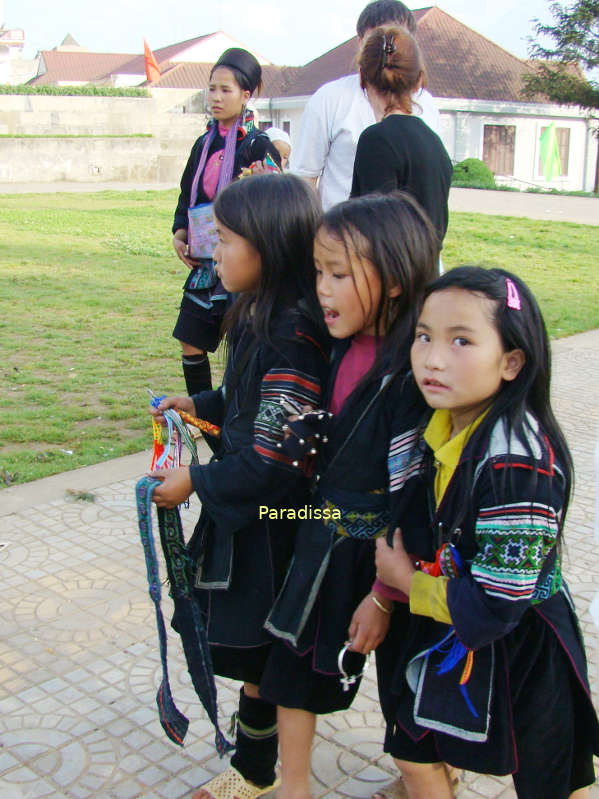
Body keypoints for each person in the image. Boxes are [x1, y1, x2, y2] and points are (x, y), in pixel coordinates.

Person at [374, 266, 599, 799]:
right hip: (449, 621)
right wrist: (383, 595)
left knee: (551, 778)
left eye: (461, 341)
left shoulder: (519, 465)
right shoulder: (432, 427)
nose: (432, 358)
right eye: (424, 336)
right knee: (411, 749)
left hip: (524, 644)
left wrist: (406, 585)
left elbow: (499, 605)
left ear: (512, 362)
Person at [150, 174, 330, 799]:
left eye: (226, 240)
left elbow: (279, 460)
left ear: (271, 246)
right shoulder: (257, 313)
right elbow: (245, 399)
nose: (215, 252)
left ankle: (257, 772)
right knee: (258, 654)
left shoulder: (294, 335)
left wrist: (195, 481)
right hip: (258, 512)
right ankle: (254, 768)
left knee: (269, 652)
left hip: (283, 523)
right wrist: (199, 400)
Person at [258, 192, 440, 799]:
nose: (324, 289)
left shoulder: (415, 373)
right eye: (319, 272)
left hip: (393, 558)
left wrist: (387, 596)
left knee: (408, 696)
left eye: (339, 274)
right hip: (323, 539)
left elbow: (416, 494)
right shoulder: (331, 344)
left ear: (392, 280)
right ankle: (295, 787)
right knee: (290, 666)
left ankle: (431, 778)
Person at [172, 47, 279, 396]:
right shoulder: (203, 143)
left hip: (240, 266)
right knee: (190, 338)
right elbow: (187, 193)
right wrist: (179, 232)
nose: (215, 98)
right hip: (204, 261)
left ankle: (231, 420)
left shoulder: (257, 145)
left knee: (240, 350)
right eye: (212, 88)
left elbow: (277, 200)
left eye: (226, 90)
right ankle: (202, 418)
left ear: (247, 95)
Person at [290, 0, 441, 210]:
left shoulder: (427, 106)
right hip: (343, 234)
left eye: (396, 42)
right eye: (377, 42)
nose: (386, 54)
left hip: (407, 239)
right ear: (360, 42)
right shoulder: (329, 98)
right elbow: (304, 180)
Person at [351, 25, 453, 247]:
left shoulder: (376, 140)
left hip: (391, 278)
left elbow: (372, 232)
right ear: (418, 80)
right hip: (428, 275)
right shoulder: (434, 142)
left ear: (362, 78)